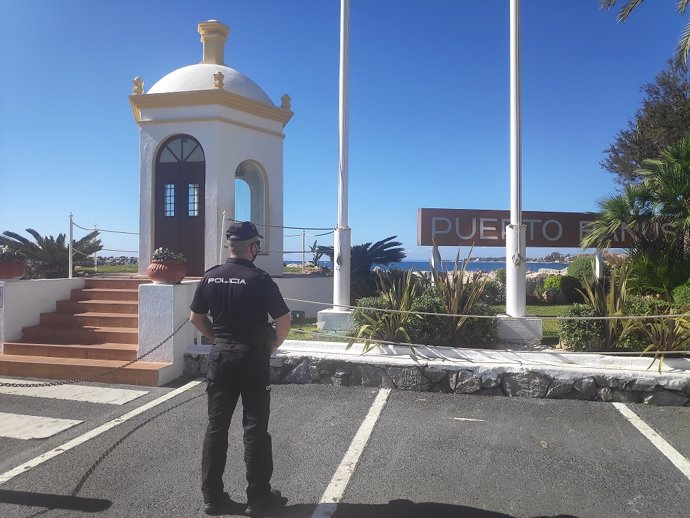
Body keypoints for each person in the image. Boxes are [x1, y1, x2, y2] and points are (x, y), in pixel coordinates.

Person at [190, 221, 291, 516]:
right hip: (252, 360)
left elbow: (195, 317)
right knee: (255, 428)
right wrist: (271, 346)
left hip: (220, 358)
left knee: (216, 427)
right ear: (253, 247)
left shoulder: (211, 277)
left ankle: (212, 497)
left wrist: (218, 339)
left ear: (229, 246)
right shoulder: (259, 279)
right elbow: (284, 323)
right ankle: (258, 498)